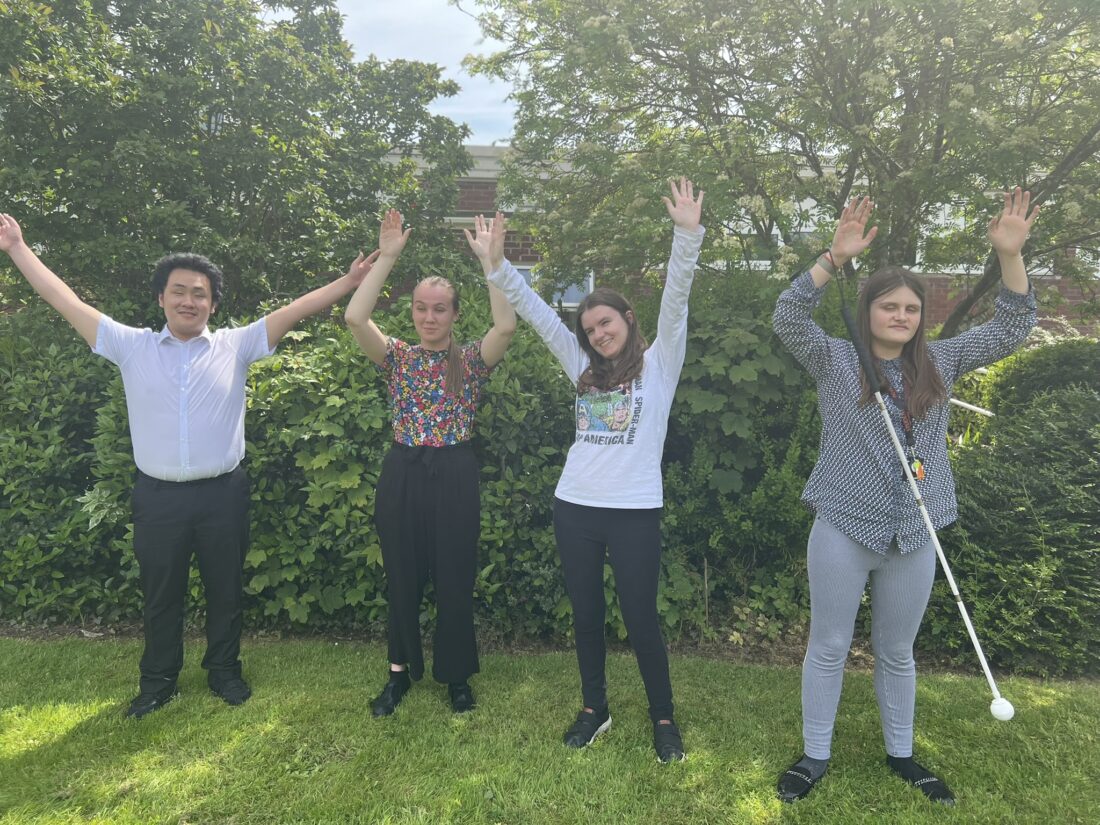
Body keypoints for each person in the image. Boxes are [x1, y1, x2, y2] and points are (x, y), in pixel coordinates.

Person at [0, 211, 385, 718]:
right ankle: (158, 681)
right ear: (161, 298)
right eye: (179, 291)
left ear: (213, 303)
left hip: (223, 493)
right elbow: (65, 300)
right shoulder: (130, 346)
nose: (189, 300)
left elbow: (295, 309)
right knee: (162, 594)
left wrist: (351, 281)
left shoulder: (236, 345)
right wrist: (17, 248)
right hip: (157, 497)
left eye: (199, 293)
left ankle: (224, 671)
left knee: (226, 590)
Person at [771, 189, 1039, 804]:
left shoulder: (941, 361)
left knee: (897, 650)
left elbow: (1013, 327)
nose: (901, 316)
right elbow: (787, 317)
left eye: (911, 308)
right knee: (830, 645)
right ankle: (815, 755)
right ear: (868, 312)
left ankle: (903, 754)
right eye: (889, 307)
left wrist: (1010, 257)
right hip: (843, 523)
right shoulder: (837, 361)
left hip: (917, 531)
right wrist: (830, 259)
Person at [486, 177, 705, 762]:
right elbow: (534, 313)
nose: (598, 335)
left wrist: (687, 236)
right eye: (589, 330)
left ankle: (663, 718)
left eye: (605, 323)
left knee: (640, 617)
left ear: (629, 319)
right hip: (576, 506)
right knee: (585, 613)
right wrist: (499, 266)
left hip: (635, 510)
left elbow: (677, 301)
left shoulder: (661, 365)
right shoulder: (580, 366)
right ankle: (595, 709)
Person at [345, 209, 515, 716]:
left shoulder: (470, 360)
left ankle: (456, 676)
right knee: (402, 575)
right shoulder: (396, 357)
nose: (429, 317)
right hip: (403, 475)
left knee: (455, 577)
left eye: (440, 309)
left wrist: (494, 262)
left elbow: (505, 325)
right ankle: (398, 674)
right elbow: (356, 317)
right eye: (421, 307)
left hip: (456, 475)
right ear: (413, 312)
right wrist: (389, 256)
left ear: (455, 314)